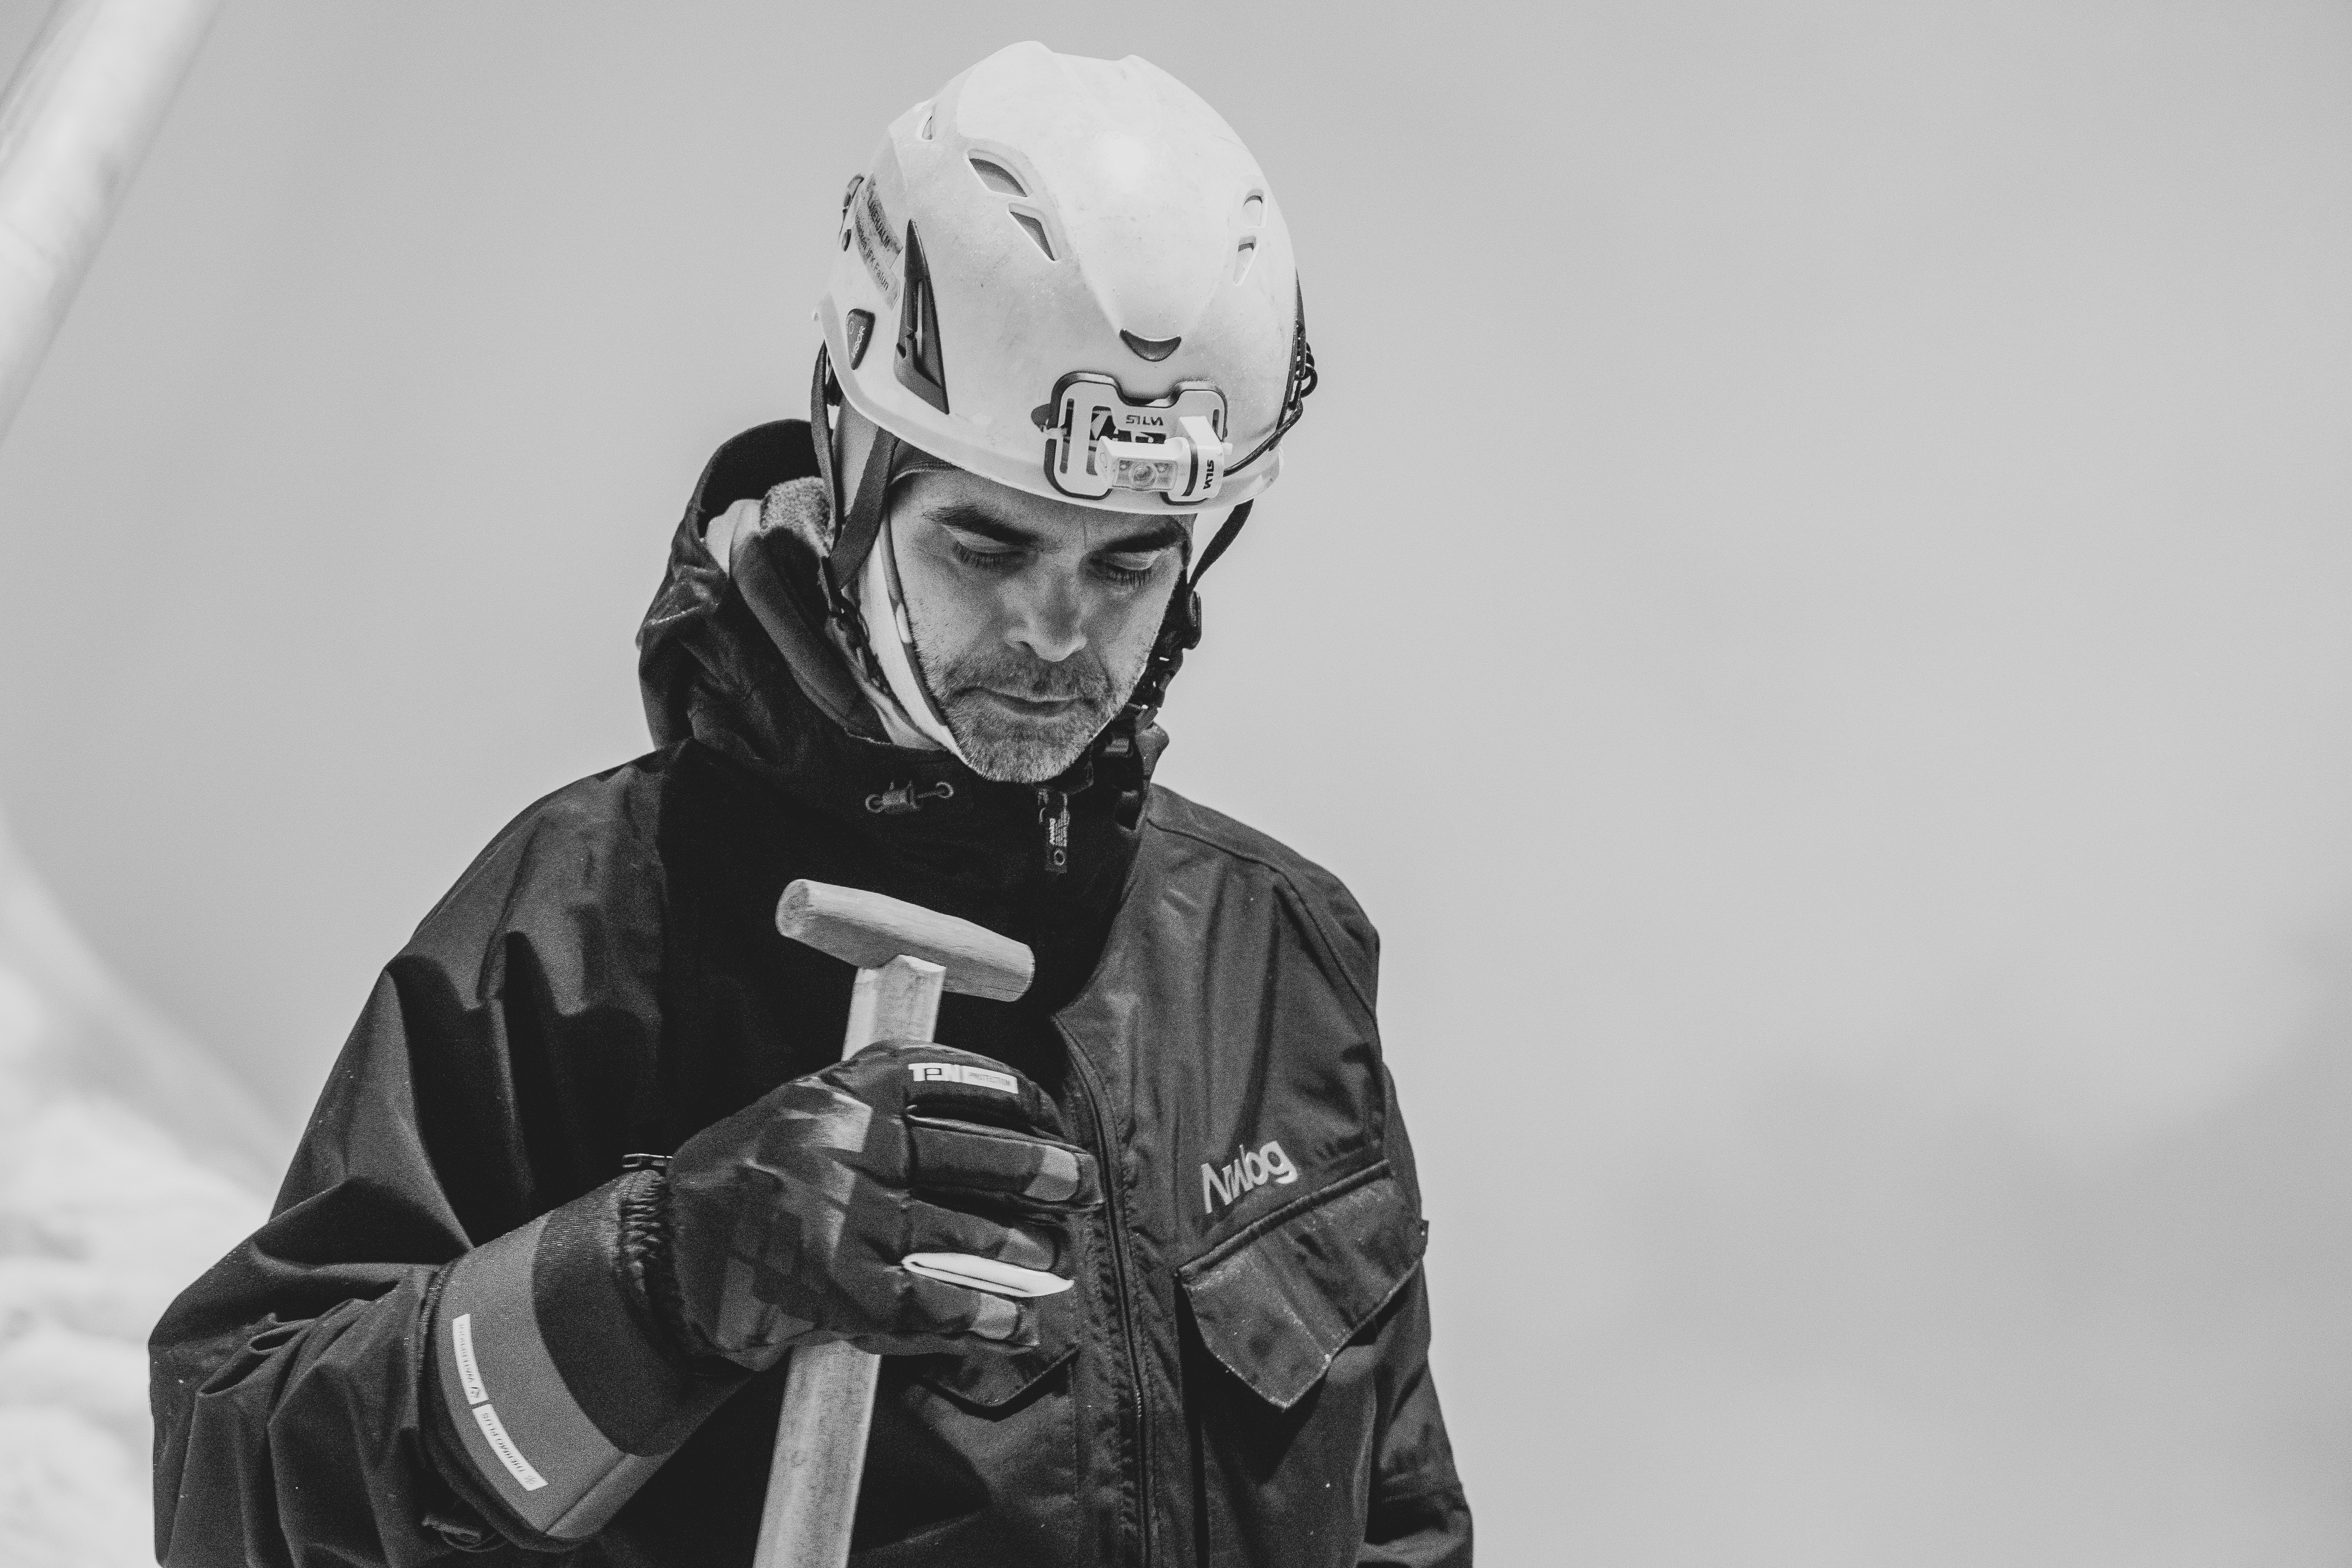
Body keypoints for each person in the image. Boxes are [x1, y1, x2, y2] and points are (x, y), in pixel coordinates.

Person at [150, 41, 1469, 1568]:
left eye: (1126, 562)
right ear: (855, 471)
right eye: (986, 545)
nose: (1058, 634)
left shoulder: (1275, 960)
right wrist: (658, 1275)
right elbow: (237, 1488)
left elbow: (1402, 1524)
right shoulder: (596, 920)